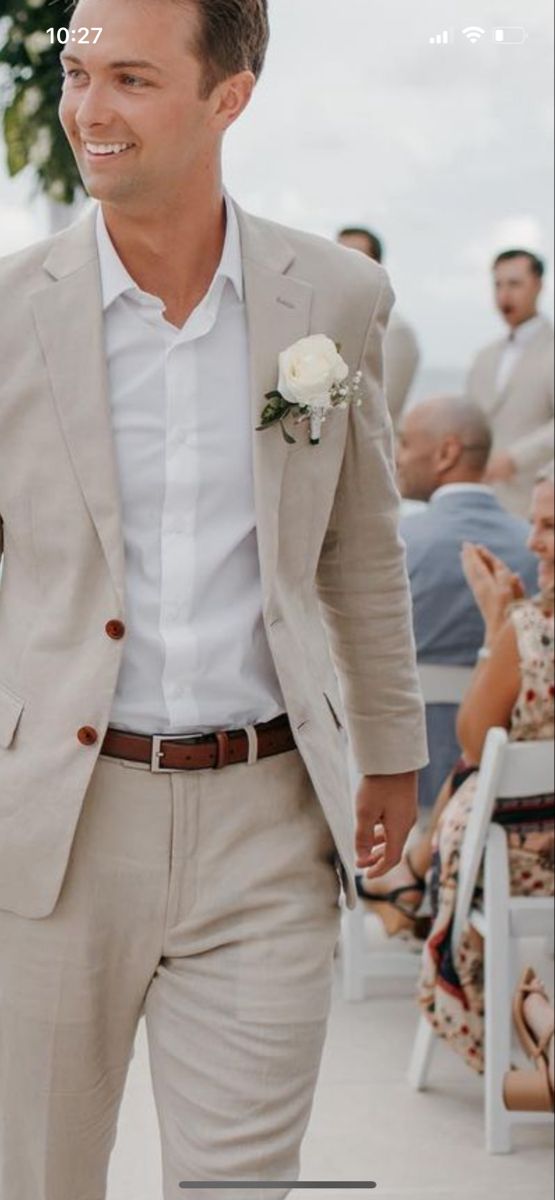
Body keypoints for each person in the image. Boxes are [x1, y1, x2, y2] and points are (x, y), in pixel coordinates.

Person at [0, 1, 427, 1197]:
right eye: (79, 75)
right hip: (54, 831)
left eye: (130, 79)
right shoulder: (6, 314)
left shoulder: (336, 303)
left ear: (228, 96)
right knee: (37, 1177)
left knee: (246, 1183)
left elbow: (361, 543)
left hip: (268, 819)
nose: (90, 111)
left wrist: (392, 748)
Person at [362, 468, 554, 1102]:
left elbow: (475, 739)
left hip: (527, 861)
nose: (534, 542)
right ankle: (410, 880)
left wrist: (500, 625)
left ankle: (536, 1027)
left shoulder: (532, 634)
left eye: (549, 526)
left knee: (476, 778)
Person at [393, 396, 538, 814]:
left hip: (404, 771)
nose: (397, 457)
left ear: (446, 453)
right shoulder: (534, 549)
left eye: (403, 443)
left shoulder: (395, 542)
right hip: (507, 787)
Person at [467, 249, 554, 518]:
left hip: (536, 507)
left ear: (538, 285)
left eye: (515, 284)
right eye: (498, 285)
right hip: (482, 503)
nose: (504, 295)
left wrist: (516, 458)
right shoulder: (484, 356)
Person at [338, 226, 421, 426]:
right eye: (339, 256)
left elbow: (385, 407)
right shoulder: (332, 322)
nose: (344, 266)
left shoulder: (396, 331)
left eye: (355, 257)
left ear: (377, 266)